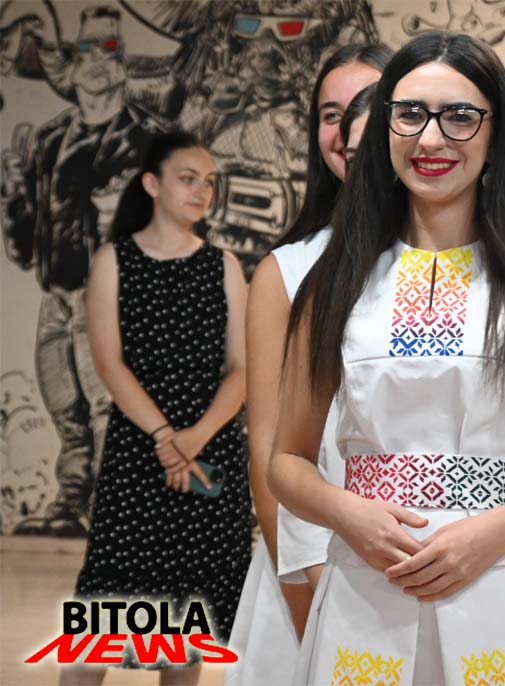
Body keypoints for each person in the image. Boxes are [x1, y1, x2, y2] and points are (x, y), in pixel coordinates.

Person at [269, 31, 505, 685]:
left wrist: (499, 531)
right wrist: (348, 512)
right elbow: (286, 462)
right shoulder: (334, 284)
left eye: (459, 116)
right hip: (366, 590)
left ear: (497, 134)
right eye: (409, 114)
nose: (430, 139)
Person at [225, 43, 392, 685]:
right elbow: (271, 454)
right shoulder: (289, 270)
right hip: (312, 570)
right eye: (330, 114)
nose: (349, 130)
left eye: (369, 105)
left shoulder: (470, 266)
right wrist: (306, 593)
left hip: (429, 566)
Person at [66, 131, 252, 685]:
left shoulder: (223, 265)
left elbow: (243, 370)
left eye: (209, 182)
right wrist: (167, 439)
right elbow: (109, 364)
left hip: (209, 453)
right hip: (139, 456)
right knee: (97, 630)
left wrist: (194, 439)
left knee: (187, 638)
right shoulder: (114, 260)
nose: (202, 191)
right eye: (187, 179)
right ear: (151, 184)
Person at [2, 5, 161, 537]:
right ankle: (72, 503)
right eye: (85, 49)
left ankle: (114, 508)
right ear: (70, 64)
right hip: (58, 293)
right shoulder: (48, 141)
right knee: (65, 406)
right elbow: (25, 246)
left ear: (123, 63)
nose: (96, 61)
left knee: (107, 408)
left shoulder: (149, 141)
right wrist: (12, 194)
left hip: (114, 296)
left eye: (108, 49)